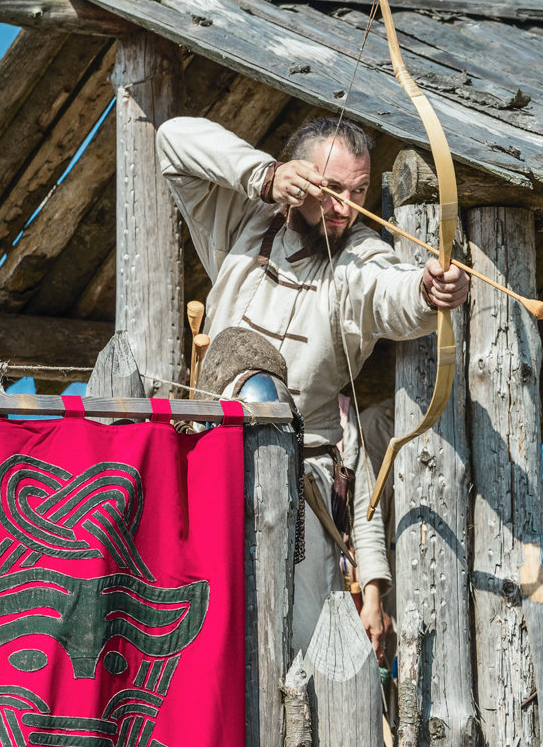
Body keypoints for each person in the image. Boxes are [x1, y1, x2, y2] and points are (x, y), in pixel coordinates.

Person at [156, 116, 468, 655]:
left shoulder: (359, 257)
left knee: (301, 656)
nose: (345, 207)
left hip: (301, 492)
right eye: (331, 189)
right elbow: (172, 140)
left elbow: (391, 293)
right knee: (200, 642)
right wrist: (265, 175)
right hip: (208, 469)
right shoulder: (245, 221)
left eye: (359, 191)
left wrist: (428, 289)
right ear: (298, 177)